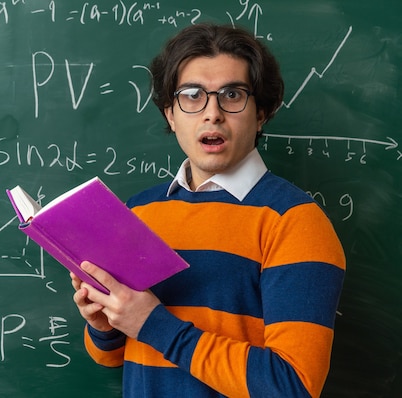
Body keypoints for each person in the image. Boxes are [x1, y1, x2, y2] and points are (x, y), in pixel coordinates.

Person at [70, 23, 346, 397]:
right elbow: (113, 356)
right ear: (170, 113)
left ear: (261, 113)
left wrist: (154, 324)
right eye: (192, 95)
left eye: (232, 94)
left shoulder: (295, 222)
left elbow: (292, 385)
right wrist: (106, 325)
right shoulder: (139, 213)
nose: (212, 113)